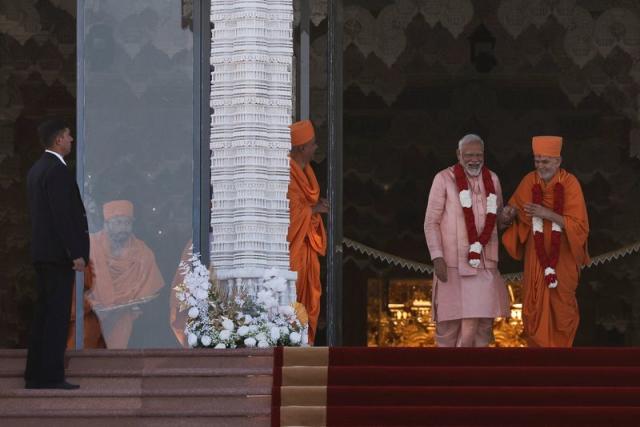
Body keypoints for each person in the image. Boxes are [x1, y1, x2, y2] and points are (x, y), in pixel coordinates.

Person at [502, 136, 589, 347]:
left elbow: (580, 227)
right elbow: (514, 210)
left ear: (558, 161)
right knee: (533, 307)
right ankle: (538, 362)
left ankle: (560, 360)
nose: (540, 166)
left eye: (545, 161)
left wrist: (546, 214)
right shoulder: (529, 181)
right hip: (537, 257)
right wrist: (507, 215)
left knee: (562, 310)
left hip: (563, 257)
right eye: (537, 161)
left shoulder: (570, 184)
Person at [424, 134, 510, 347]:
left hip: (484, 264)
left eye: (478, 155)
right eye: (469, 155)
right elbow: (431, 222)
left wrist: (505, 218)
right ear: (458, 155)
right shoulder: (443, 179)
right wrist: (437, 257)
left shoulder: (494, 179)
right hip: (452, 264)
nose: (474, 159)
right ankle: (448, 376)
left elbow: (494, 220)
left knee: (482, 324)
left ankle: (477, 375)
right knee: (449, 325)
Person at [25, 118, 89, 390]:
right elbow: (62, 216)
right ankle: (50, 375)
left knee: (43, 315)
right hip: (56, 256)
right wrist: (75, 252)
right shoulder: (57, 171)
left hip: (43, 254)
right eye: (68, 136)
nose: (72, 140)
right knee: (55, 317)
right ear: (58, 140)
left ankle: (35, 374)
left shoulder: (37, 169)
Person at [83, 200, 165, 348]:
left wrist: (136, 303)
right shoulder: (91, 246)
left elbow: (150, 291)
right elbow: (81, 286)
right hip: (94, 314)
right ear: (106, 224)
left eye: (127, 223)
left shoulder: (143, 252)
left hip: (132, 318)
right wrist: (93, 305)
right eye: (118, 222)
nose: (123, 228)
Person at [288, 120, 328, 345]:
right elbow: (287, 212)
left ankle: (306, 340)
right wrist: (313, 209)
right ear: (302, 148)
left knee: (311, 296)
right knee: (295, 297)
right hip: (295, 250)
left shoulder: (307, 171)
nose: (315, 148)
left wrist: (313, 208)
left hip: (307, 248)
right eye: (312, 144)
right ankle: (295, 339)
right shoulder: (287, 173)